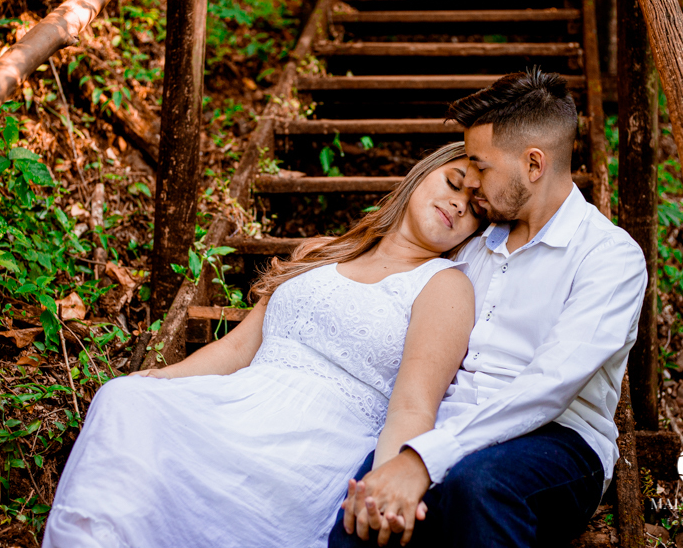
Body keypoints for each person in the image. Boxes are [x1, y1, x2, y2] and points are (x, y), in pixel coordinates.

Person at [41, 142, 482, 548]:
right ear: (421, 175)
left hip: (315, 446)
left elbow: (413, 408)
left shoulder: (445, 287)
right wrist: (158, 378)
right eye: (452, 183)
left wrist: (384, 483)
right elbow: (239, 348)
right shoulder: (322, 251)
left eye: (475, 209)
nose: (458, 204)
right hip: (239, 405)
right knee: (125, 399)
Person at [331, 68, 648, 547]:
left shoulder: (610, 257)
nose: (471, 181)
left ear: (534, 165)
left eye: (481, 165)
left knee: (477, 487)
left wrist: (423, 458)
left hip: (558, 440)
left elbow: (549, 388)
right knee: (365, 507)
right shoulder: (472, 248)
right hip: (446, 426)